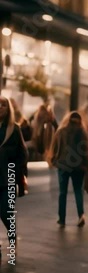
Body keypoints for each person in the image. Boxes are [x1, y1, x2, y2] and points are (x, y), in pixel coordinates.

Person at [48, 111, 88, 227]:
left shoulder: (61, 131)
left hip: (63, 166)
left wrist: (54, 160)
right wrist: (86, 165)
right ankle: (81, 215)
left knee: (62, 193)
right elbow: (86, 150)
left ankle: (62, 219)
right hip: (78, 167)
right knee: (78, 191)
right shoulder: (83, 132)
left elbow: (54, 147)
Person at [0, 96, 27, 254]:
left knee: (6, 212)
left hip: (8, 178)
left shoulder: (14, 128)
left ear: (8, 108)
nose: (0, 107)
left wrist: (14, 169)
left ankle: (12, 239)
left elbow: (23, 154)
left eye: (3, 105)